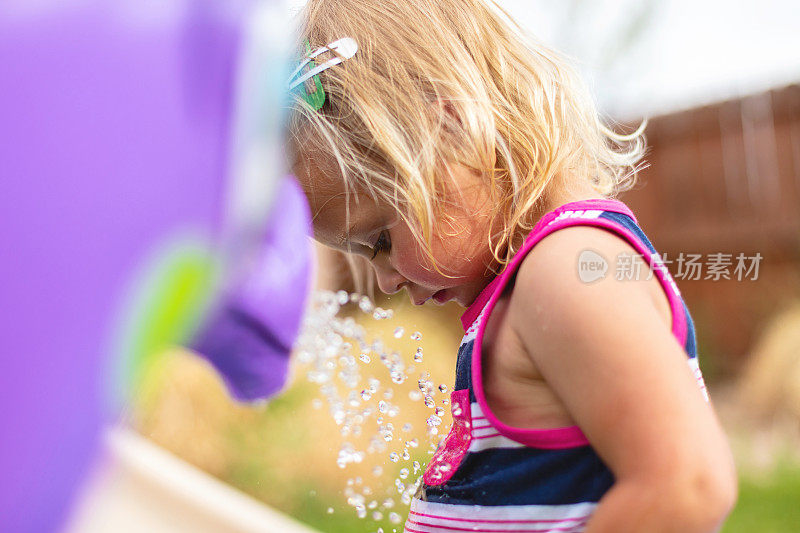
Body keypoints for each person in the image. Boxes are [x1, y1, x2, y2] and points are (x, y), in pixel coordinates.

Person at [286, 0, 737, 531]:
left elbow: (686, 486)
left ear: (451, 133)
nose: (385, 279)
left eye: (381, 238)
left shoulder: (564, 269)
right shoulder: (526, 287)